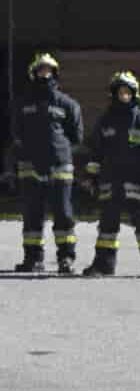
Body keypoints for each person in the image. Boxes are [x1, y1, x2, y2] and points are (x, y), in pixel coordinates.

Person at [82, 72, 140, 279]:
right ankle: (104, 266)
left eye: (127, 92)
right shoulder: (105, 121)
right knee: (107, 228)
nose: (124, 95)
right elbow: (96, 152)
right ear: (114, 94)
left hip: (138, 183)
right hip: (111, 182)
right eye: (120, 92)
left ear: (134, 94)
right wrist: (91, 177)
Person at [11, 53, 83, 274]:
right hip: (30, 167)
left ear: (54, 73)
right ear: (34, 73)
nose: (44, 74)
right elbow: (16, 133)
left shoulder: (67, 104)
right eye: (41, 70)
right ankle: (33, 259)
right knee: (32, 214)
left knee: (63, 213)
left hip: (59, 168)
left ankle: (66, 259)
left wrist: (59, 153)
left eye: (48, 70)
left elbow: (76, 136)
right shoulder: (22, 103)